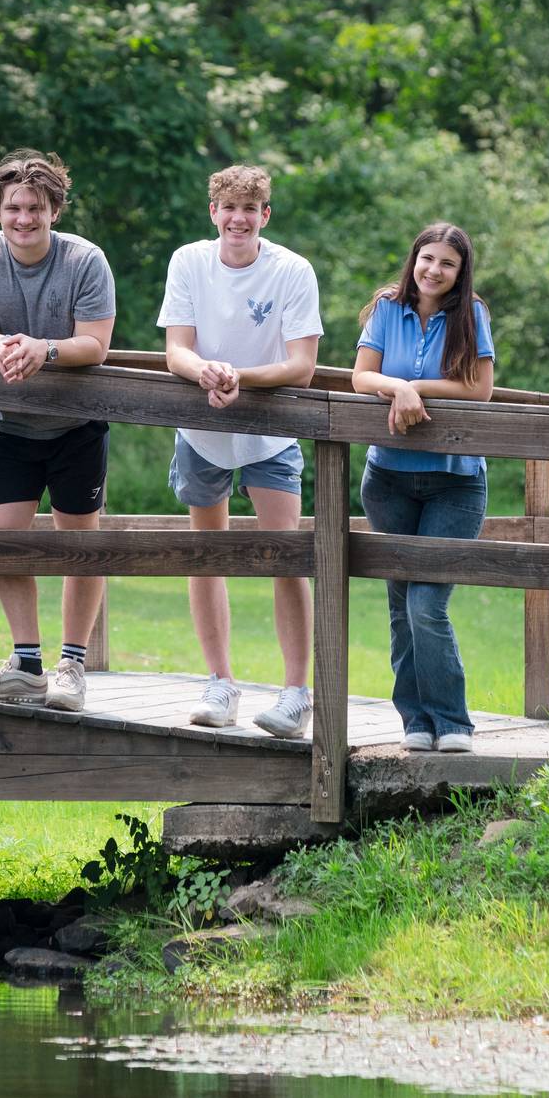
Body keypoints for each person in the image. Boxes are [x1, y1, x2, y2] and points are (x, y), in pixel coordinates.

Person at [160, 165, 321, 736]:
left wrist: (239, 378)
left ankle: (296, 692)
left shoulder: (293, 270)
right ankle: (220, 682)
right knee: (207, 553)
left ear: (265, 216)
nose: (238, 219)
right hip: (201, 429)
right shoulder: (188, 261)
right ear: (214, 213)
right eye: (229, 208)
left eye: (250, 210)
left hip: (270, 432)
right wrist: (205, 371)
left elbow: (302, 366)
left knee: (286, 556)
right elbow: (176, 350)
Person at [0, 150, 116, 711]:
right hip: (10, 425)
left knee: (80, 545)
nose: (24, 218)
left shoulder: (85, 260)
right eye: (14, 208)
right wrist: (2, 345)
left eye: (36, 208)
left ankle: (72, 665)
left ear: (55, 211)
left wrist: (43, 349)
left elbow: (95, 343)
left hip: (77, 424)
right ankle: (26, 664)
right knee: (3, 542)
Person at [351, 223, 495, 753]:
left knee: (426, 603)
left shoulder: (471, 314)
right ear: (414, 259)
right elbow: (362, 377)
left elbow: (479, 389)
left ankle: (453, 722)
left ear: (461, 272)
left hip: (455, 482)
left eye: (447, 263)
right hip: (388, 479)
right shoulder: (387, 308)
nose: (434, 270)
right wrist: (397, 386)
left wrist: (416, 388)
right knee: (400, 604)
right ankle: (414, 719)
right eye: (427, 259)